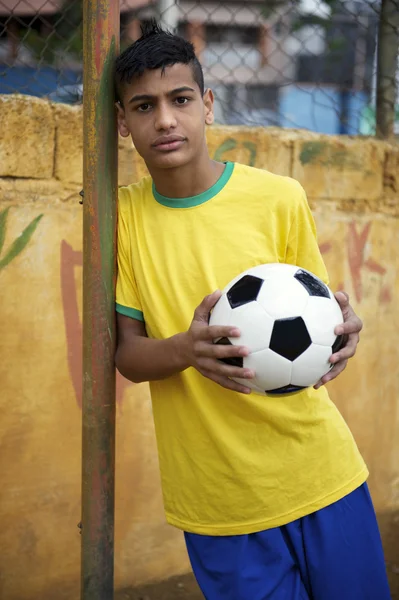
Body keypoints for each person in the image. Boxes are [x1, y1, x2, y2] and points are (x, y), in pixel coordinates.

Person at [114, 21, 391, 600]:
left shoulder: (278, 198)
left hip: (320, 471)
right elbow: (129, 357)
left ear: (208, 105)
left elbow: (320, 315)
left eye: (180, 99)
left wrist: (343, 334)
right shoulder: (122, 220)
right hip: (218, 497)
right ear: (123, 122)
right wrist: (185, 350)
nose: (165, 119)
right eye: (144, 106)